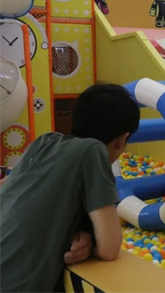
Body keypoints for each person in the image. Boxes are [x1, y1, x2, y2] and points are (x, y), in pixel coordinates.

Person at [0, 84, 140, 292]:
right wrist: (94, 246)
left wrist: (85, 237)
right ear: (122, 139)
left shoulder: (44, 142)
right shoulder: (93, 150)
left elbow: (30, 204)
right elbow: (110, 248)